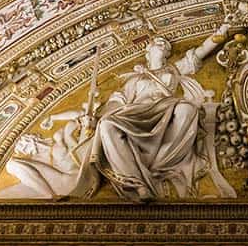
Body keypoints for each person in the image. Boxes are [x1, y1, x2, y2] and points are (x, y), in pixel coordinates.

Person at [72, 24, 229, 201]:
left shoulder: (173, 70)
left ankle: (161, 163)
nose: (161, 43)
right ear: (148, 52)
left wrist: (221, 32)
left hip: (165, 110)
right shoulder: (136, 78)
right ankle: (137, 182)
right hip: (136, 114)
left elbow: (199, 53)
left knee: (187, 108)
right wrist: (94, 119)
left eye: (164, 44)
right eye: (157, 42)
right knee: (107, 126)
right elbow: (118, 102)